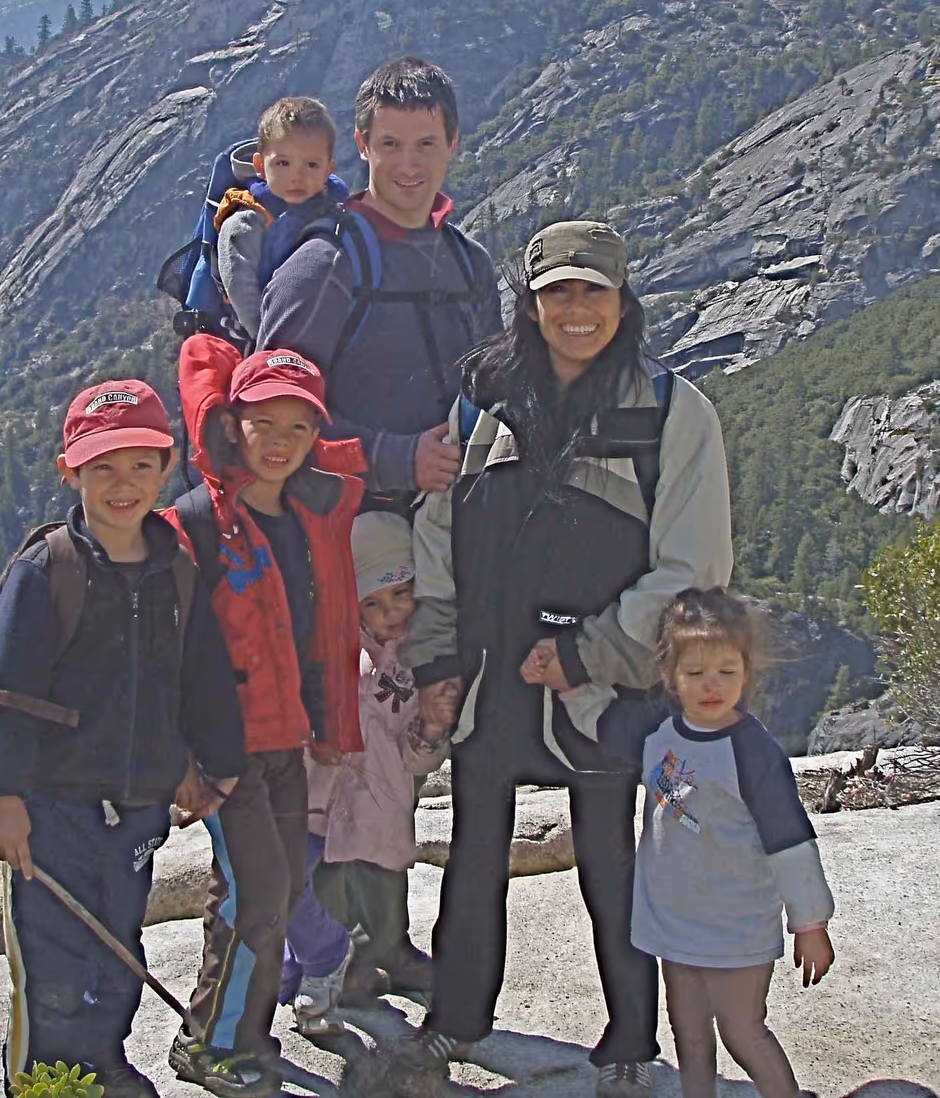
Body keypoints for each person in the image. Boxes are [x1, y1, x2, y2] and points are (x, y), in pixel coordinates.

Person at [395, 219, 735, 1098]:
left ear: (623, 301)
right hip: (488, 671)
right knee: (473, 853)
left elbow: (694, 564)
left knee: (612, 857)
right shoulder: (484, 403)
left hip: (601, 686)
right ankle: (457, 1021)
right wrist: (436, 661)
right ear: (531, 303)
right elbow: (438, 535)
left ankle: (629, 1039)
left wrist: (589, 651)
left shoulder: (670, 410)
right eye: (557, 294)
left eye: (593, 292)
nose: (575, 311)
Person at [0, 380, 247, 1098]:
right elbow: (6, 694)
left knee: (119, 944)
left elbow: (200, 677)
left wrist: (210, 766)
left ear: (167, 466)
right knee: (52, 958)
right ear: (71, 472)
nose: (121, 485)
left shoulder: (177, 571)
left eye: (137, 467)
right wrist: (6, 797)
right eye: (102, 468)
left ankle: (103, 1062)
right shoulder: (46, 572)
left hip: (137, 807)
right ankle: (45, 1082)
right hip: (54, 804)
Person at [167, 338, 368, 1095]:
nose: (280, 443)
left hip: (285, 741)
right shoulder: (194, 528)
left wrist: (330, 726)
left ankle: (237, 1034)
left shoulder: (307, 518)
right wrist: (182, 760)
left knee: (273, 895)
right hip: (226, 751)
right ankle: (214, 1045)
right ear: (233, 423)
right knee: (256, 895)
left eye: (299, 428)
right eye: (263, 423)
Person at [599, 589, 836, 1098]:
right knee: (688, 1031)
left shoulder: (753, 752)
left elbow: (790, 841)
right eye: (696, 673)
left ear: (746, 673)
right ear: (670, 676)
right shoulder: (660, 738)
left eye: (726, 672)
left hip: (736, 925)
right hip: (674, 921)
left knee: (742, 1031)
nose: (712, 686)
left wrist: (810, 923)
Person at [256, 56, 503, 500]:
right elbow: (267, 420)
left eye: (426, 144)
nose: (408, 165)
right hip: (354, 526)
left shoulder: (470, 263)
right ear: (362, 144)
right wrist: (399, 459)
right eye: (390, 144)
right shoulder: (324, 265)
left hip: (465, 516)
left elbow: (495, 390)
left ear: (453, 144)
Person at [288, 511, 454, 1023]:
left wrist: (431, 729)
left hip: (384, 804)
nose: (392, 613)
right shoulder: (330, 649)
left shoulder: (422, 660)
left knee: (384, 885)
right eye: (374, 603)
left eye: (402, 594)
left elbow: (416, 756)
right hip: (326, 806)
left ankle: (391, 953)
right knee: (329, 886)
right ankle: (342, 965)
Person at [216, 96, 347, 340]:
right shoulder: (246, 221)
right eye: (283, 163)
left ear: (329, 170)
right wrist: (265, 339)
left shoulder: (336, 208)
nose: (296, 176)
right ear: (260, 166)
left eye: (311, 165)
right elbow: (240, 289)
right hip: (265, 337)